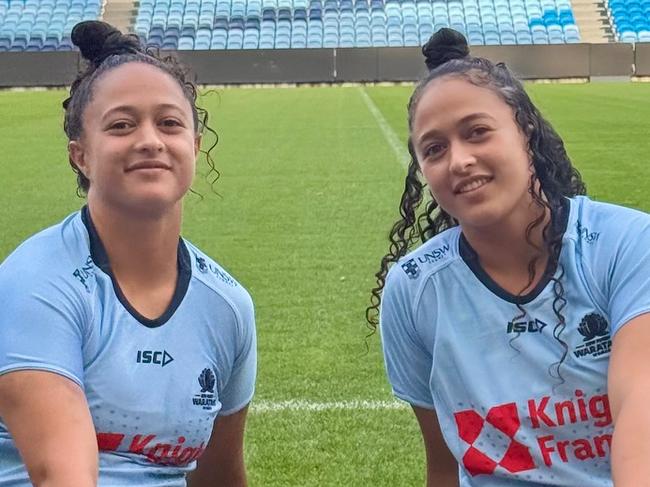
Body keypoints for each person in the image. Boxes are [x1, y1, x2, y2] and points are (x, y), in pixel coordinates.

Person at [368, 28, 650, 486]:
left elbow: (641, 421)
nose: (459, 160)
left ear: (526, 130)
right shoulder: (414, 290)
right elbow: (444, 463)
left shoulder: (627, 245)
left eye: (477, 132)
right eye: (434, 149)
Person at [0, 21, 256, 487]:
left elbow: (220, 477)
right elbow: (63, 475)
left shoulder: (228, 306)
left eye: (170, 123)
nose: (150, 141)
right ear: (81, 155)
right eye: (121, 125)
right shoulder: (35, 282)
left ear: (195, 147)